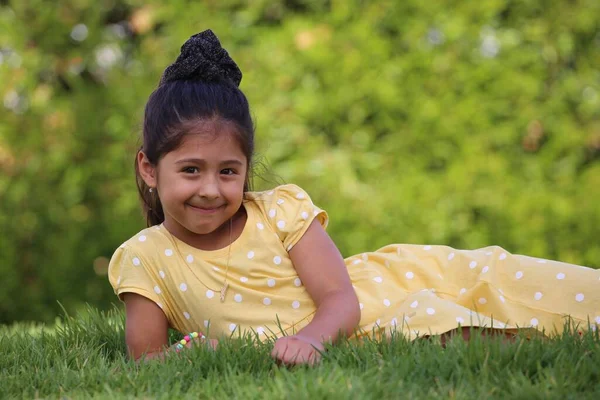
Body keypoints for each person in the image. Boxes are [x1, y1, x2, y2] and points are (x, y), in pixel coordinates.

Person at [108, 30, 600, 365]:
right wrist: (192, 354)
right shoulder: (146, 260)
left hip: (371, 299)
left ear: (246, 169)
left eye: (228, 171)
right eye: (191, 170)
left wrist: (310, 342)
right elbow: (147, 364)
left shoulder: (278, 210)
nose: (211, 189)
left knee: (501, 276)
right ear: (149, 168)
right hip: (384, 326)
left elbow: (341, 298)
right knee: (446, 329)